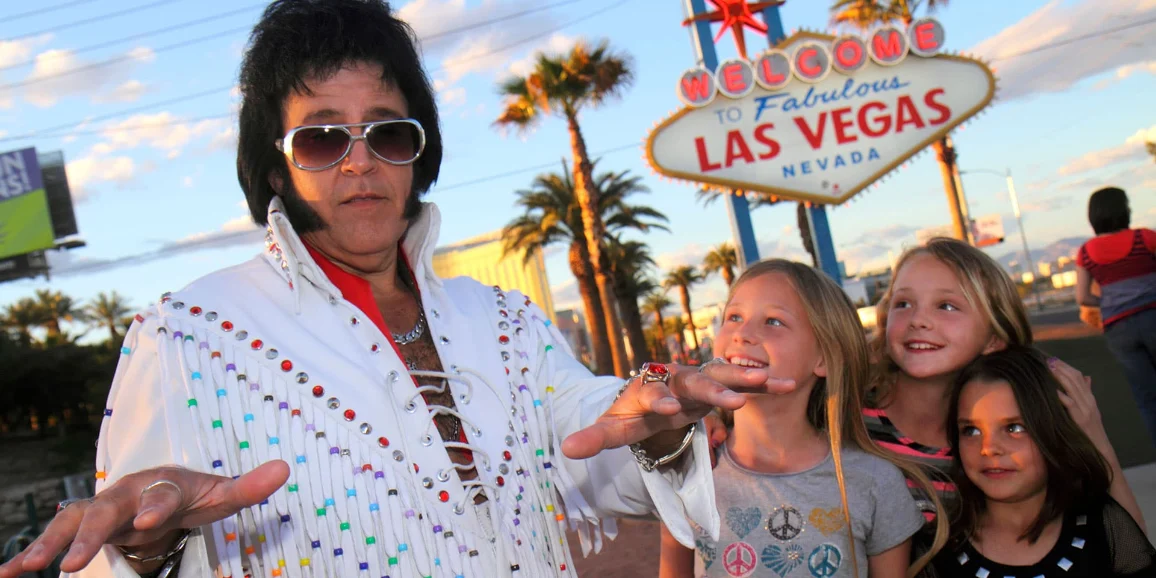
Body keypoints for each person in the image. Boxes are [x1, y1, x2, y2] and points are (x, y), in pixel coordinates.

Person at [0, 2, 795, 577]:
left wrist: (653, 426)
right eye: (321, 135)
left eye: (386, 131)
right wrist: (146, 545)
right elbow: (122, 547)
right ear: (278, 165)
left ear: (418, 151)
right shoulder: (188, 335)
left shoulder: (505, 320)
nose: (359, 162)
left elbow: (595, 461)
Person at [658, 260, 944, 578]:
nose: (743, 333)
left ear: (823, 357)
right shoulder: (688, 471)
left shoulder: (874, 483)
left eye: (773, 321)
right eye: (734, 316)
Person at [865, 238, 1143, 554]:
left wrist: (1094, 437)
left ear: (994, 336)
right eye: (903, 304)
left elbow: (1130, 552)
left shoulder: (1014, 440)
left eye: (946, 306)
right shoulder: (843, 418)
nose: (917, 319)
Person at [932, 347, 1156, 577]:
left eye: (1014, 428)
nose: (988, 449)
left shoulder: (1103, 527)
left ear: (1057, 432)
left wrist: (1094, 432)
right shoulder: (937, 550)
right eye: (971, 430)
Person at [1075, 187, 1156, 445]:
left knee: (1146, 398)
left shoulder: (1087, 252)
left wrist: (1108, 303)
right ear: (1124, 210)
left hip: (1117, 328)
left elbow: (1083, 298)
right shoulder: (1145, 238)